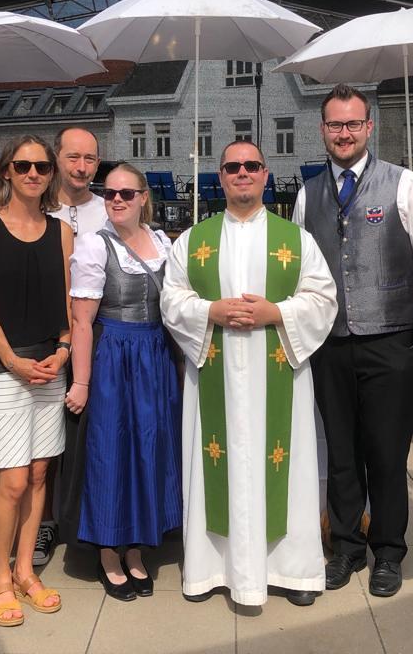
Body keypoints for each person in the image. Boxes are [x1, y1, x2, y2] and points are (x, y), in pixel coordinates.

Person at [162, 141, 337, 607]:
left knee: (285, 466)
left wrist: (275, 313)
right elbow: (171, 299)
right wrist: (210, 311)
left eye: (252, 165)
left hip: (276, 373)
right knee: (216, 464)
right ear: (220, 176)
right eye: (233, 166)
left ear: (265, 174)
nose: (243, 173)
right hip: (214, 373)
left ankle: (292, 572)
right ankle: (211, 571)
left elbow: (323, 298)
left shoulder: (296, 240)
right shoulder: (192, 241)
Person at [292, 83, 413, 598]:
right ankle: (347, 546)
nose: (344, 133)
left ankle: (389, 552)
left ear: (369, 127)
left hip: (392, 341)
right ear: (323, 130)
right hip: (330, 344)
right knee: (341, 452)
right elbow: (302, 275)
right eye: (335, 124)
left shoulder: (405, 184)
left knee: (387, 453)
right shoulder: (307, 194)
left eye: (353, 123)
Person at [0, 134, 72, 626]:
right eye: (24, 165)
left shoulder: (61, 231)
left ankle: (27, 570)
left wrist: (64, 350)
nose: (33, 174)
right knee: (10, 480)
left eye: (42, 167)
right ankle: (1, 575)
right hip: (1, 367)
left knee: (38, 474)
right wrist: (10, 359)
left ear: (51, 174)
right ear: (6, 170)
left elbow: (65, 300)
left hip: (48, 366)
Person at [66, 163, 181, 601]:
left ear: (143, 198)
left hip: (155, 354)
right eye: (110, 193)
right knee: (111, 451)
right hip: (114, 354)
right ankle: (108, 553)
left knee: (149, 448)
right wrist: (81, 382)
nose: (116, 200)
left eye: (126, 193)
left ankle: (136, 547)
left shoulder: (162, 242)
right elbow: (81, 322)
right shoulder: (94, 246)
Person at [39, 126, 107, 564]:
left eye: (90, 159)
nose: (81, 167)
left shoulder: (109, 206)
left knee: (89, 433)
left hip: (96, 336)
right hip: (46, 334)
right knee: (45, 436)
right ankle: (44, 522)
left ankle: (89, 518)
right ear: (57, 158)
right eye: (73, 157)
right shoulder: (38, 207)